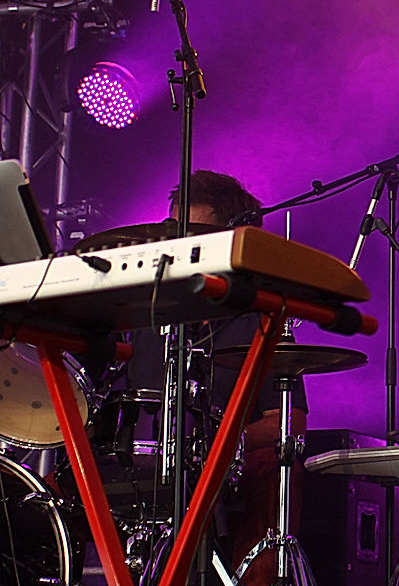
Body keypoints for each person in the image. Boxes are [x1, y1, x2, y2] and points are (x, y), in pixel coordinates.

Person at [97, 171, 305, 585]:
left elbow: (290, 421)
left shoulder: (259, 316)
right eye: (174, 233)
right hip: (146, 463)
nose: (181, 246)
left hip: (231, 466)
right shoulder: (145, 315)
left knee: (275, 468)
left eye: (194, 235)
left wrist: (225, 443)